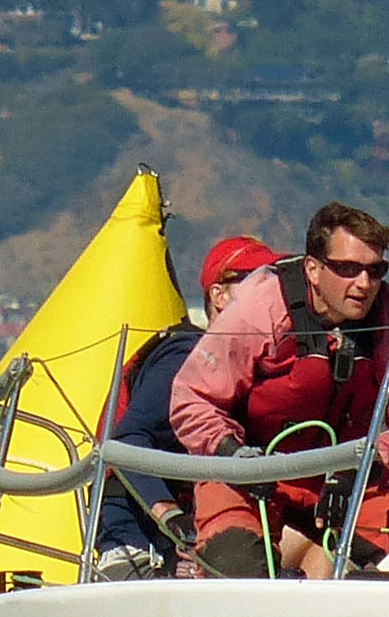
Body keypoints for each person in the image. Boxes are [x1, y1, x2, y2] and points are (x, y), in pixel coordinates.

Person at [168, 202, 389, 579]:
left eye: (375, 271)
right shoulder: (260, 307)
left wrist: (370, 464)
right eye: (348, 269)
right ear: (313, 269)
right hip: (247, 476)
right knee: (236, 573)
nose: (364, 283)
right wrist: (233, 454)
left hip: (347, 480)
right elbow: (192, 399)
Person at [88, 232, 276, 579]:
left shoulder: (251, 366)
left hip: (204, 532)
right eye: (255, 279)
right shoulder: (186, 356)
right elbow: (128, 440)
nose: (268, 291)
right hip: (140, 536)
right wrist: (173, 519)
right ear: (218, 295)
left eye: (273, 280)